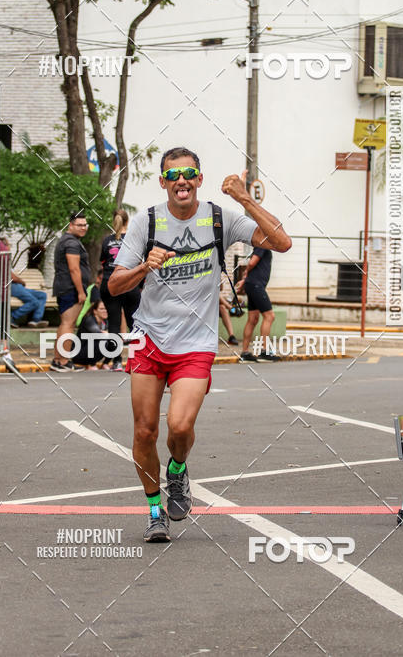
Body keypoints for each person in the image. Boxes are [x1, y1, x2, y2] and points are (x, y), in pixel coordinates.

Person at [108, 146, 291, 543]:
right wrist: (144, 265)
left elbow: (281, 241)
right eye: (173, 175)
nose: (182, 181)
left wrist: (243, 197)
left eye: (189, 173)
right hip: (149, 337)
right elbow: (114, 284)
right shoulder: (147, 222)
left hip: (196, 341)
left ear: (199, 180)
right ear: (163, 183)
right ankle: (155, 510)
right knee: (143, 432)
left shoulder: (219, 216)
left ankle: (177, 470)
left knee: (180, 426)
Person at [100, 209, 141, 371]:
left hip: (110, 284)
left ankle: (116, 361)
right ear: (127, 221)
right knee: (135, 323)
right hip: (129, 283)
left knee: (114, 323)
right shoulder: (134, 240)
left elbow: (103, 263)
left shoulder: (106, 240)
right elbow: (140, 263)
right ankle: (137, 359)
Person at [51, 211, 92, 372]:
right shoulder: (71, 243)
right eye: (79, 225)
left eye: (85, 225)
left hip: (65, 288)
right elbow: (74, 269)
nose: (83, 228)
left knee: (65, 324)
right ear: (71, 225)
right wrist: (81, 291)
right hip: (70, 289)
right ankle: (63, 361)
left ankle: (59, 360)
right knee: (68, 325)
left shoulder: (68, 240)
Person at [237, 246, 278, 362]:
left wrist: (245, 280)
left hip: (252, 284)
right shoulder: (262, 245)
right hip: (256, 285)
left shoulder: (260, 246)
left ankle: (245, 353)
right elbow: (252, 262)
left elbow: (254, 265)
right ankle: (264, 352)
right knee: (269, 316)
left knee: (253, 319)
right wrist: (245, 274)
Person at [7, 236, 49, 329]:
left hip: (17, 286)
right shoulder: (3, 258)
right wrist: (21, 281)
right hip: (12, 286)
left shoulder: (8, 259)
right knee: (33, 302)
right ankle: (12, 317)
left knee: (42, 295)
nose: (10, 248)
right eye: (8, 246)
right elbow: (12, 277)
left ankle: (35, 320)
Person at [73, 299, 119, 370]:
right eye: (101, 309)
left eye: (106, 308)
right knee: (100, 340)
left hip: (90, 352)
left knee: (114, 341)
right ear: (95, 311)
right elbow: (98, 334)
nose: (105, 310)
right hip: (79, 353)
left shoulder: (105, 321)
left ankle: (105, 363)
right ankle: (91, 364)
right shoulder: (89, 320)